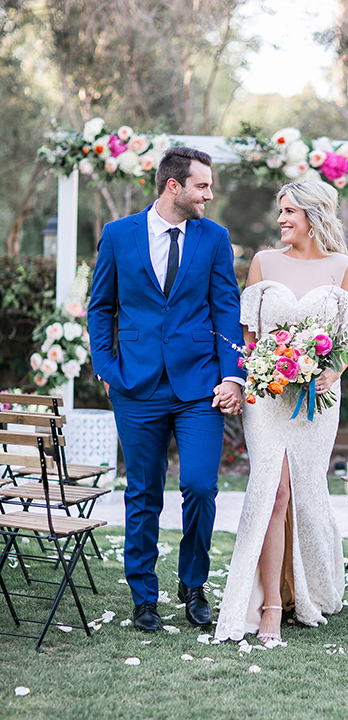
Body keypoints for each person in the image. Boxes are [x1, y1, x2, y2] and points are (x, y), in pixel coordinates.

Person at [88, 147, 244, 633]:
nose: (209, 195)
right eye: (202, 186)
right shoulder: (118, 236)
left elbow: (226, 310)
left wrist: (232, 376)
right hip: (136, 385)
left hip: (200, 386)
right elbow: (100, 307)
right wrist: (108, 367)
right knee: (143, 492)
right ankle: (143, 596)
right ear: (173, 186)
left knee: (200, 485)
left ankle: (193, 585)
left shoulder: (215, 238)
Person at [215, 177, 348, 644]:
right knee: (273, 491)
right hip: (267, 398)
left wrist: (331, 373)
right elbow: (248, 337)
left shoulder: (342, 267)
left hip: (316, 402)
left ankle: (306, 590)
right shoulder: (263, 263)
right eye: (280, 211)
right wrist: (262, 370)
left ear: (313, 215)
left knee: (304, 493)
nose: (281, 219)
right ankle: (268, 608)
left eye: (289, 212)